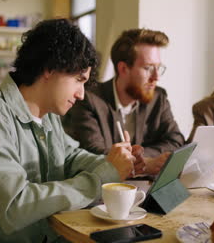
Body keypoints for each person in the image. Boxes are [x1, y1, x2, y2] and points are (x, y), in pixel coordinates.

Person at [0, 19, 140, 243]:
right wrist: (103, 177)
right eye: (78, 80)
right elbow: (16, 206)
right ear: (49, 68)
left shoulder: (48, 115)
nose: (81, 94)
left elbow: (69, 157)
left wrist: (113, 164)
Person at [63, 29, 185, 175]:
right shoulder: (89, 100)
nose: (156, 77)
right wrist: (143, 163)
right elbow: (93, 152)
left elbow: (176, 140)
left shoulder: (158, 97)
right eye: (148, 68)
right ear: (123, 69)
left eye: (158, 68)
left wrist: (142, 158)